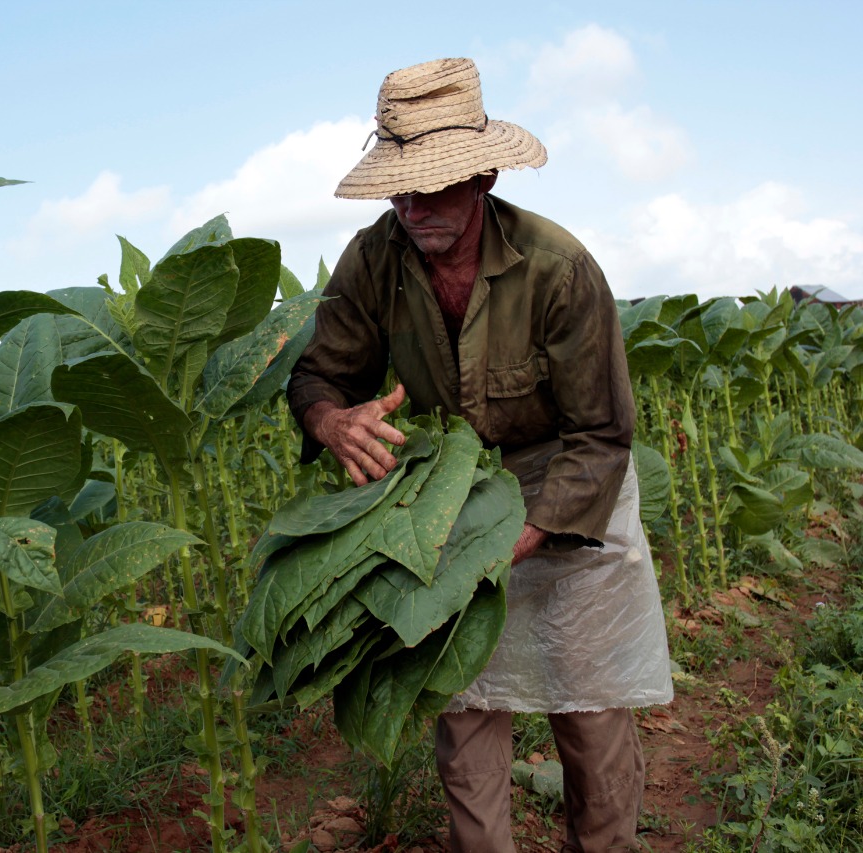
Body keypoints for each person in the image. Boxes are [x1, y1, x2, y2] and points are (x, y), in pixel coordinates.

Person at [286, 58, 674, 852]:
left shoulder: (558, 267)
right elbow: (321, 373)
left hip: (570, 490)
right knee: (464, 705)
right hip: (453, 495)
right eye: (400, 186)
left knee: (589, 703)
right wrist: (331, 421)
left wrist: (521, 537)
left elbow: (601, 436)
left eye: (433, 184)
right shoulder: (374, 258)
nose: (413, 204)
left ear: (484, 173)